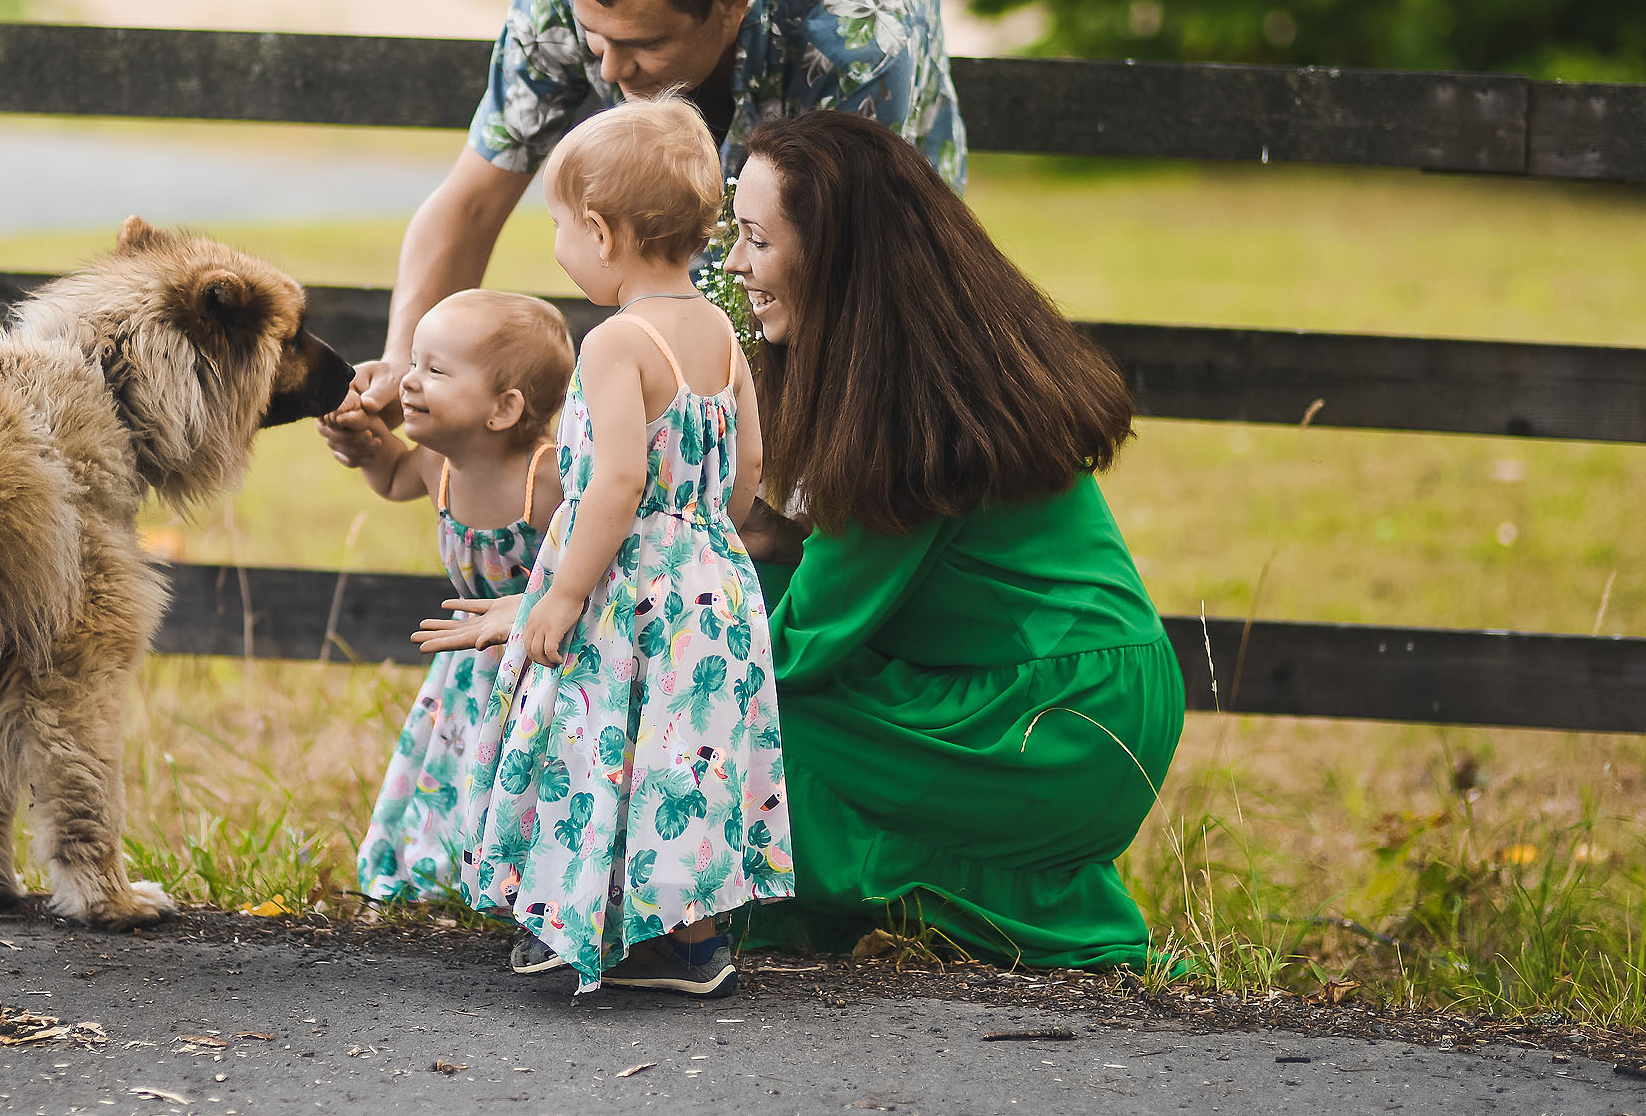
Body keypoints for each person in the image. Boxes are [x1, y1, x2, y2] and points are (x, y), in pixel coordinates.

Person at [721, 110, 1183, 967]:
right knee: (751, 621)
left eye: (756, 238)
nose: (734, 264)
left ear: (835, 255)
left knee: (729, 695)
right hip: (1092, 691)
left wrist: (620, 640)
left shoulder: (900, 419)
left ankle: (758, 896)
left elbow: (794, 649)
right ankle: (808, 898)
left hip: (1061, 720)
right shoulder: (933, 366)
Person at [337, 0, 966, 432]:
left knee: (869, 321)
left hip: (858, 2)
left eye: (644, 45)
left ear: (729, 5)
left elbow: (845, 270)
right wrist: (404, 363)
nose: (610, 72)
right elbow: (473, 200)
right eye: (595, 37)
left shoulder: (855, 35)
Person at [428, 98, 793, 999]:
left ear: (600, 231)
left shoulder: (615, 342)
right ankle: (694, 943)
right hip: (714, 579)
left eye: (560, 225)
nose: (559, 244)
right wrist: (704, 532)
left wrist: (561, 592)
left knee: (597, 745)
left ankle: (579, 918)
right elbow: (750, 463)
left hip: (629, 584)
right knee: (688, 756)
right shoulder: (721, 331)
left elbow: (617, 480)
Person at [328, 290, 574, 906]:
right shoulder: (434, 464)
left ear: (504, 408)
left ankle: (527, 879)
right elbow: (390, 475)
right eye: (414, 363)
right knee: (458, 766)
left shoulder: (547, 479)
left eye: (435, 370)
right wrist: (360, 434)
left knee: (534, 771)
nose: (409, 381)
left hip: (543, 660)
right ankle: (453, 869)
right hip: (470, 664)